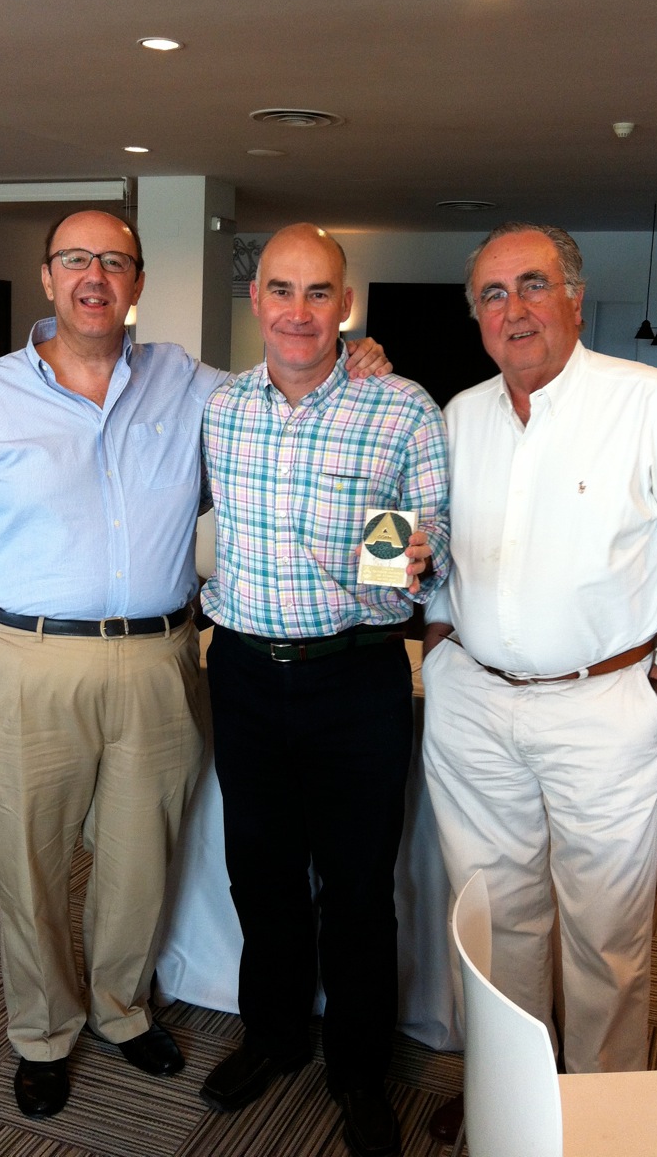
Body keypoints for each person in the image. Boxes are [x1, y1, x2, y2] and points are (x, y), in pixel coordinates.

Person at [0, 209, 390, 1119]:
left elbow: (288, 385)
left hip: (160, 661)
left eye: (114, 262)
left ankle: (120, 1010)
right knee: (30, 866)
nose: (95, 277)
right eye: (76, 260)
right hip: (20, 660)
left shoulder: (195, 387)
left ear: (138, 282)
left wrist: (356, 360)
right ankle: (43, 1031)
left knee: (139, 863)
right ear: (48, 276)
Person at [421, 222, 657, 1143]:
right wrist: (439, 641)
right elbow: (436, 547)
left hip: (605, 706)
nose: (513, 309)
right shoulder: (460, 416)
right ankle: (509, 1092)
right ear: (477, 315)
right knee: (495, 919)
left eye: (532, 284)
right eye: (492, 293)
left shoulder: (648, 401)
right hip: (474, 704)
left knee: (606, 931)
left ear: (574, 296)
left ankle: (599, 1111)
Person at [198, 223, 450, 1157]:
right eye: (281, 289)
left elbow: (433, 537)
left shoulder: (402, 408)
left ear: (346, 304)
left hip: (357, 675)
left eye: (318, 293)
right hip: (243, 673)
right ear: (256, 298)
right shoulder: (221, 408)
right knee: (259, 873)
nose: (298, 311)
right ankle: (272, 1036)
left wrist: (419, 555)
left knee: (358, 888)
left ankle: (357, 1068)